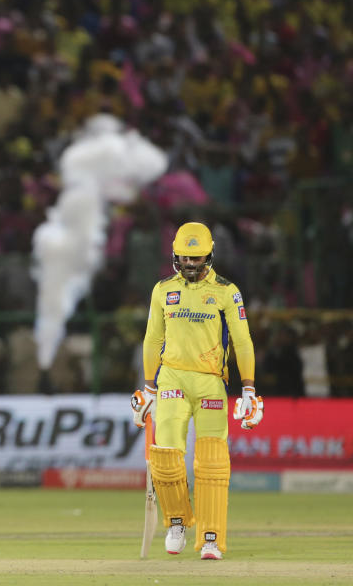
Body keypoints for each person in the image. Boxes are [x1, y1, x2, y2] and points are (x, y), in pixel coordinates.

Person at [131, 222, 264, 560]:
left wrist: (248, 389)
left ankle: (210, 537)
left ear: (210, 254)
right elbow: (152, 339)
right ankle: (177, 521)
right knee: (166, 454)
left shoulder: (226, 291)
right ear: (176, 255)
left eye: (197, 258)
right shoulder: (162, 290)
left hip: (210, 381)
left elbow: (242, 341)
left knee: (212, 460)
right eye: (185, 258)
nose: (191, 264)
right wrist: (147, 389)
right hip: (172, 378)